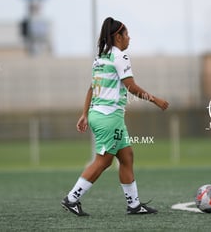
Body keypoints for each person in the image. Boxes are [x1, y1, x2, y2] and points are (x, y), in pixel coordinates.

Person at [61, 17, 169, 216]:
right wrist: (156, 100)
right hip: (109, 117)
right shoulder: (120, 57)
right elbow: (132, 87)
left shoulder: (101, 57)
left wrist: (85, 114)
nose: (129, 38)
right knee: (103, 161)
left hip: (102, 115)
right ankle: (71, 199)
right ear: (117, 36)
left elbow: (92, 88)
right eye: (126, 34)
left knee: (126, 156)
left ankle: (134, 205)